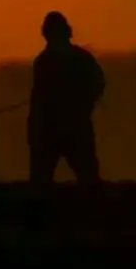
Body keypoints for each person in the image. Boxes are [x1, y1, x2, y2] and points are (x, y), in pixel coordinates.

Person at [29, 10, 104, 185]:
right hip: (66, 128)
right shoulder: (78, 59)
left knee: (43, 180)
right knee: (87, 179)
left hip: (61, 128)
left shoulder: (44, 62)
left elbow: (37, 101)